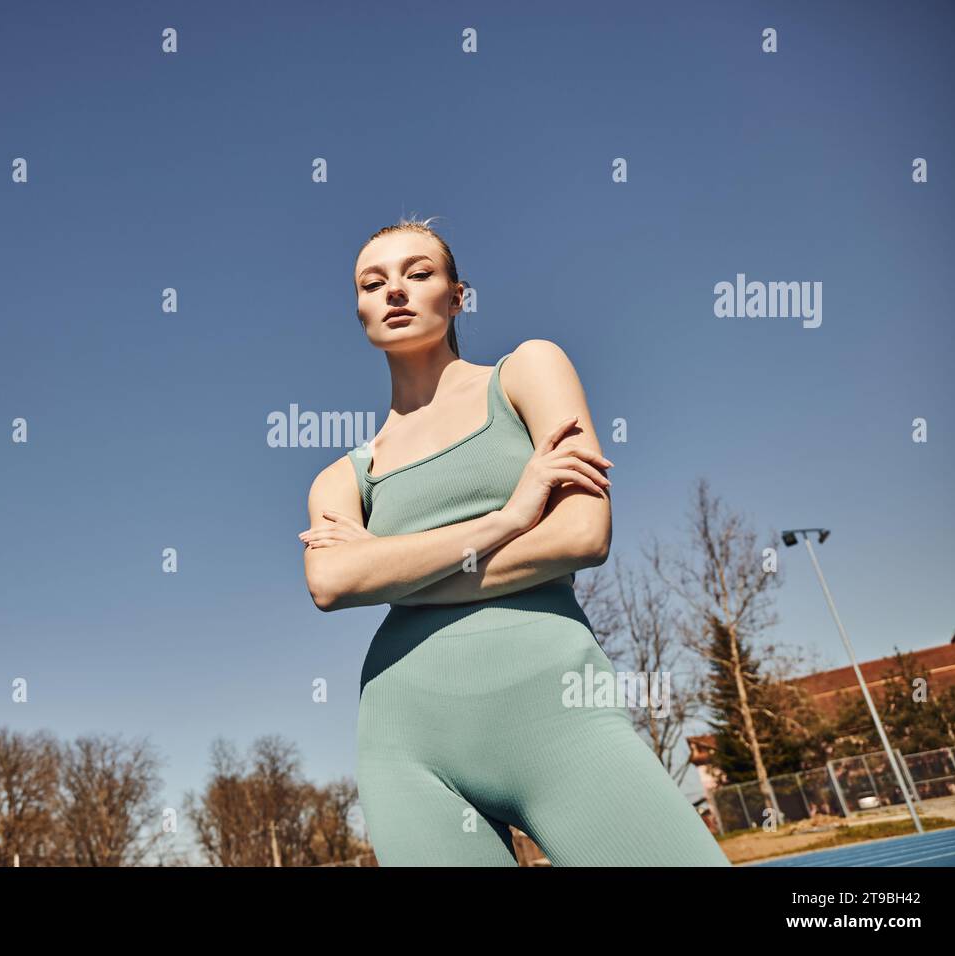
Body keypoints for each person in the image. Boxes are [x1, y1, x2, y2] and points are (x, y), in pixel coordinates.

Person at [299, 216, 731, 867]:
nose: (395, 291)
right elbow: (332, 584)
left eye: (418, 274)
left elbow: (582, 535)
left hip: (554, 712)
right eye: (373, 281)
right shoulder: (343, 475)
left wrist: (395, 573)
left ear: (457, 295)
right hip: (406, 742)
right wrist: (507, 518)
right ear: (358, 305)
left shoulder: (528, 371)